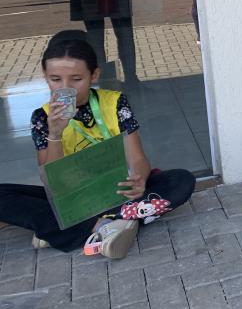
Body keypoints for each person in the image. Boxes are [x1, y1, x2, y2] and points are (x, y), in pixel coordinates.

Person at [0, 31, 195, 258]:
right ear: (45, 77)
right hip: (72, 199)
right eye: (55, 80)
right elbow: (52, 183)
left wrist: (140, 179)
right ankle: (106, 226)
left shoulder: (114, 102)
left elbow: (138, 159)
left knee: (182, 180)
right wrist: (55, 133)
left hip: (116, 191)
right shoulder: (42, 117)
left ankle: (64, 229)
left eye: (76, 79)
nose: (66, 88)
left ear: (94, 75)